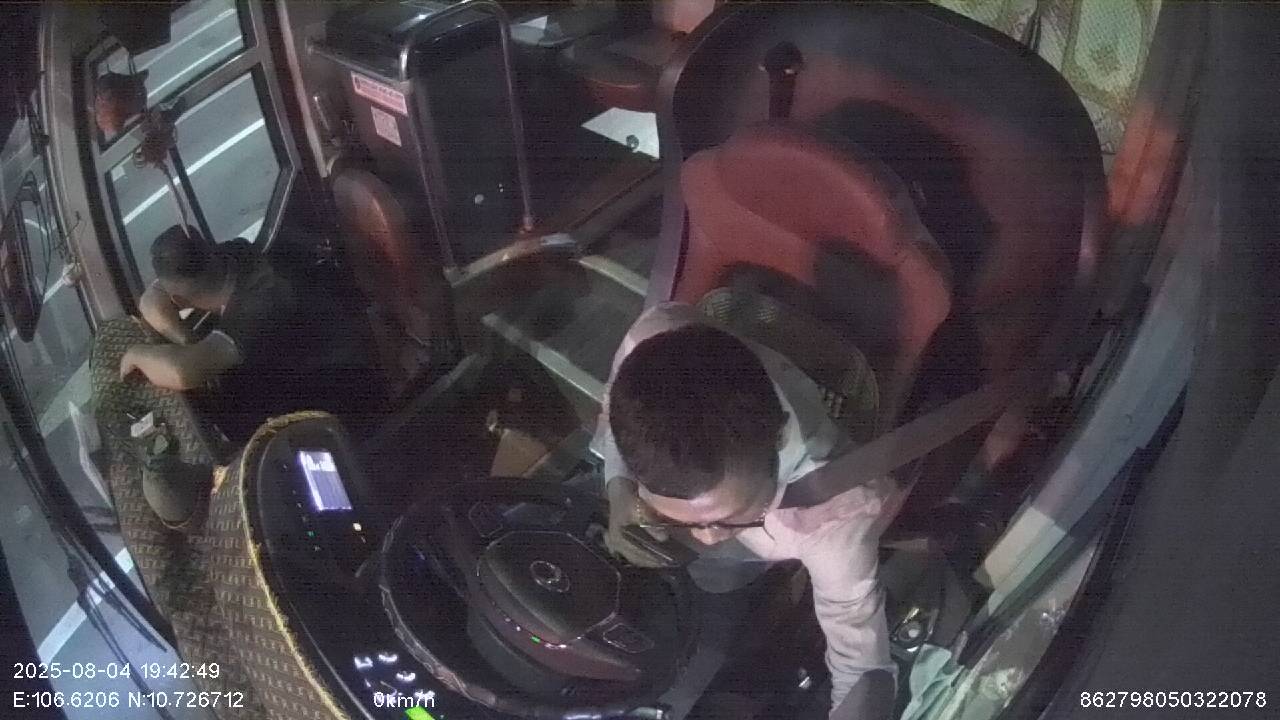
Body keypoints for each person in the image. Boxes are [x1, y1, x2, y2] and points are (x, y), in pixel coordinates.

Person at [595, 302, 898, 719]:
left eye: (737, 517)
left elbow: (860, 667)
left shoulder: (835, 513)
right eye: (678, 517)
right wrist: (619, 489)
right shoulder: (650, 343)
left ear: (779, 437)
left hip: (732, 579)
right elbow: (614, 408)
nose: (706, 539)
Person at [120, 225, 381, 439]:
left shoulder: (255, 310)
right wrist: (188, 340)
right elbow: (151, 299)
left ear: (179, 301)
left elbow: (183, 372)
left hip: (353, 397)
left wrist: (136, 354)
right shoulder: (236, 254)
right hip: (328, 350)